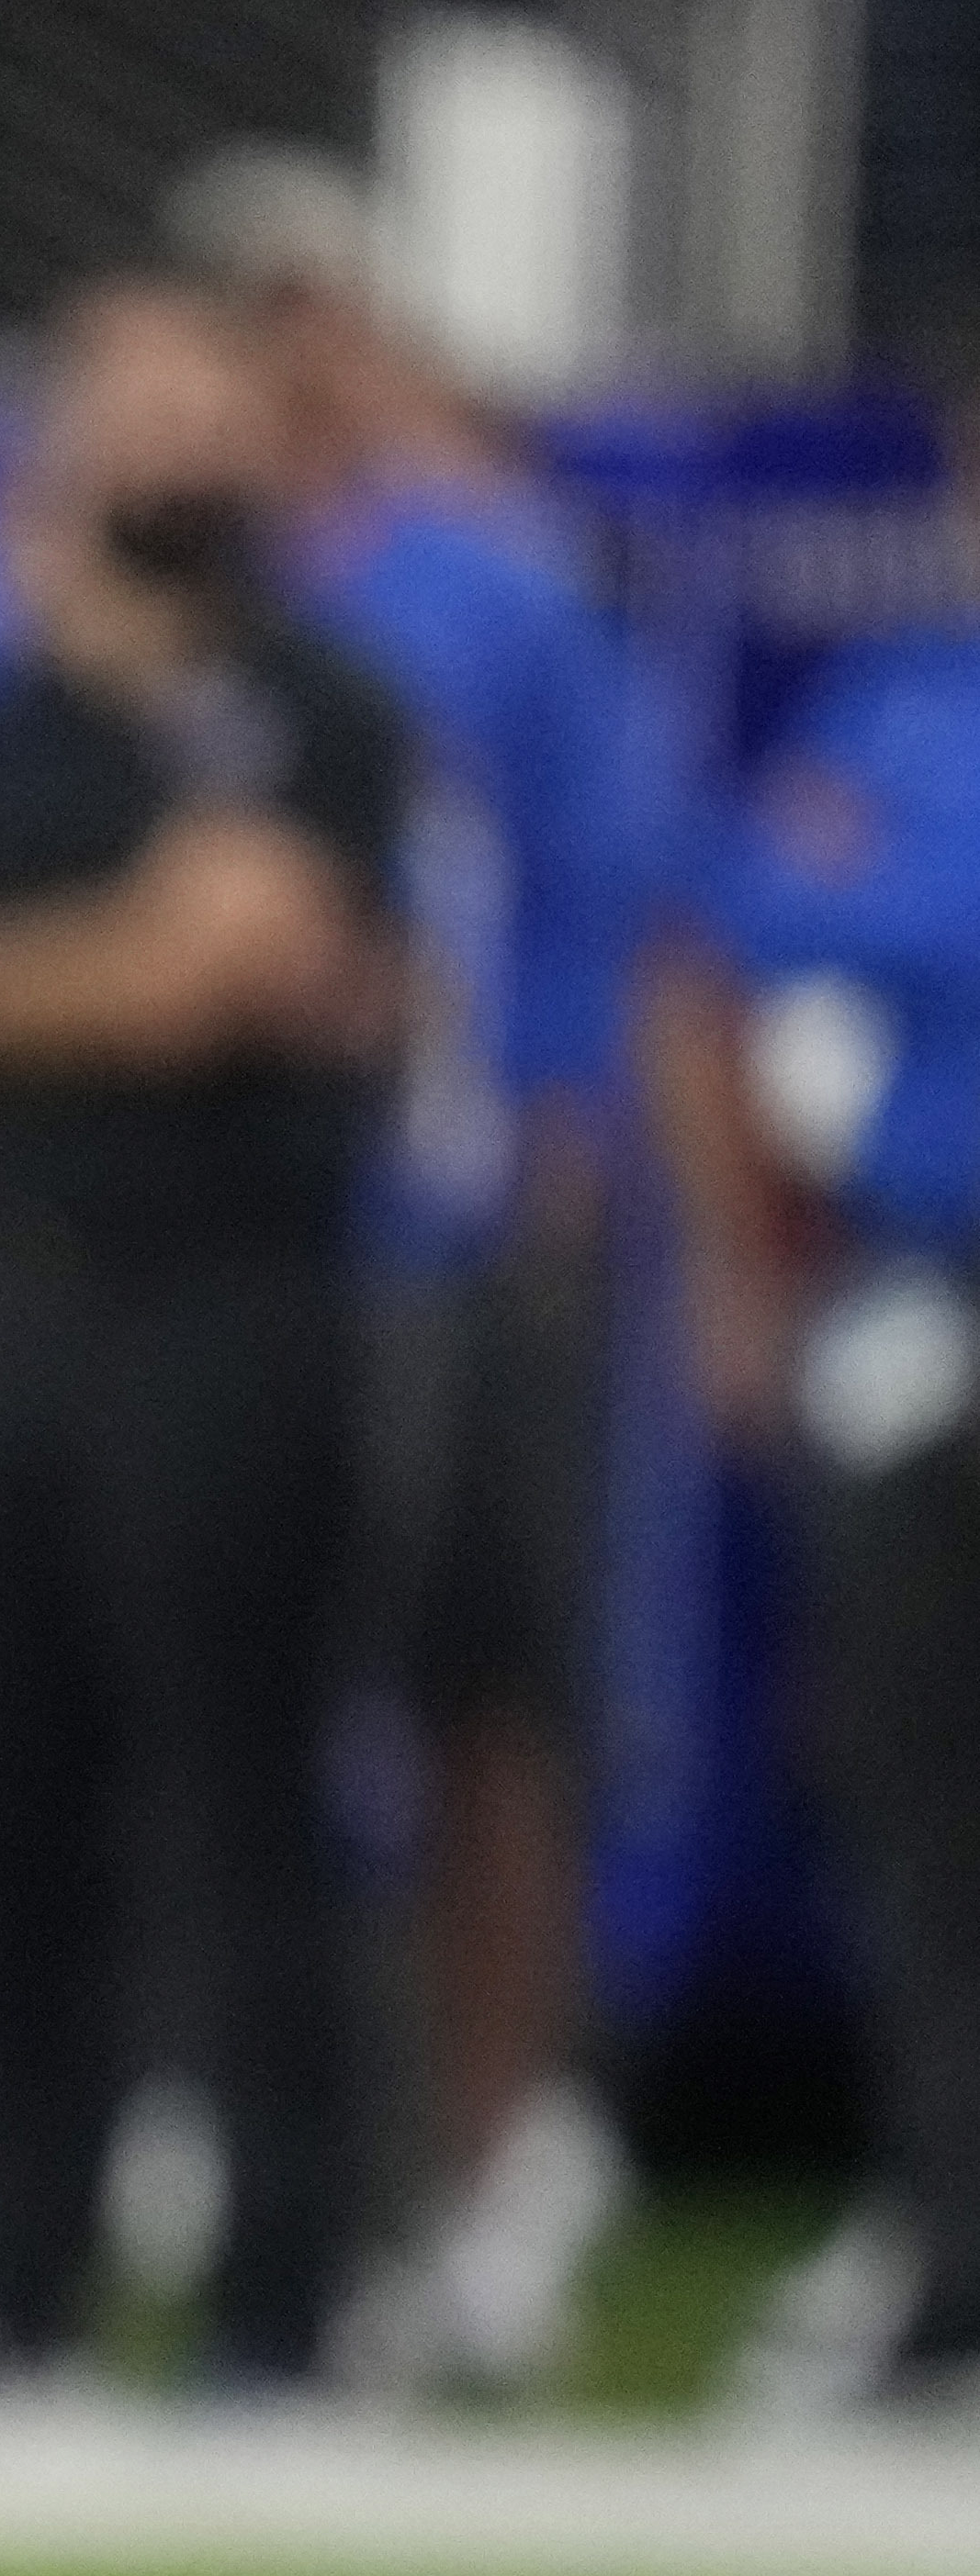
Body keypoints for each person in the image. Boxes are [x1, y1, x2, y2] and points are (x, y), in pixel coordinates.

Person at [0, 278, 411, 2393]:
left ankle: (278, 2292)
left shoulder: (312, 707)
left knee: (238, 1803)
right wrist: (75, 972)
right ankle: (7, 2272)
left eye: (192, 412)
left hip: (233, 1305)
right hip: (9, 1310)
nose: (156, 452)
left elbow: (206, 974)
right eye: (120, 410)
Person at [177, 144, 681, 2394]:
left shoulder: (481, 586)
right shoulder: (172, 594)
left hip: (448, 1226)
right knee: (271, 1717)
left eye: (303, 311)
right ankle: (315, 2163)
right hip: (244, 1242)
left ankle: (488, 2157)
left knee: (483, 1709)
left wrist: (561, 1142)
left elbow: (601, 895)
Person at [684, 443, 980, 2413]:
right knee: (919, 1806)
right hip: (925, 1309)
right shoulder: (897, 709)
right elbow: (746, 965)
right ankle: (943, 2227)